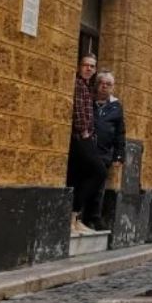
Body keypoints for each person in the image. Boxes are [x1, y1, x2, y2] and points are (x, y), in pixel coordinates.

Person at [67, 54, 107, 234]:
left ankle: (74, 219)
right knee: (99, 171)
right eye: (86, 65)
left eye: (92, 66)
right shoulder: (77, 84)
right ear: (78, 66)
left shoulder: (86, 87)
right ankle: (73, 214)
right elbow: (76, 109)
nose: (89, 69)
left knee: (80, 176)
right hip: (80, 138)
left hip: (86, 137)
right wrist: (83, 131)